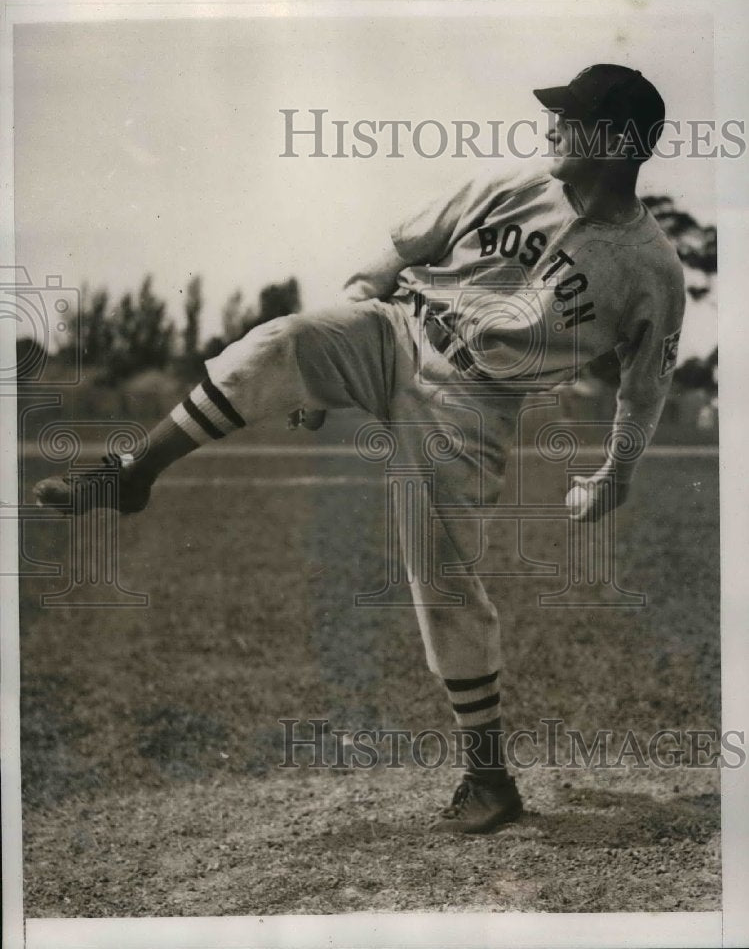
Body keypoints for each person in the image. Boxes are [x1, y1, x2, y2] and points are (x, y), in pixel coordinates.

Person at [34, 64, 685, 834]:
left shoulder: (650, 271)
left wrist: (615, 473)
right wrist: (319, 371)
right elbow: (391, 258)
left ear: (612, 141)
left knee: (440, 576)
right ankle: (131, 473)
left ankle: (488, 779)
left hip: (473, 401)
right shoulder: (508, 185)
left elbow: (642, 390)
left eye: (569, 118)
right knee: (281, 340)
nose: (550, 128)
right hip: (396, 330)